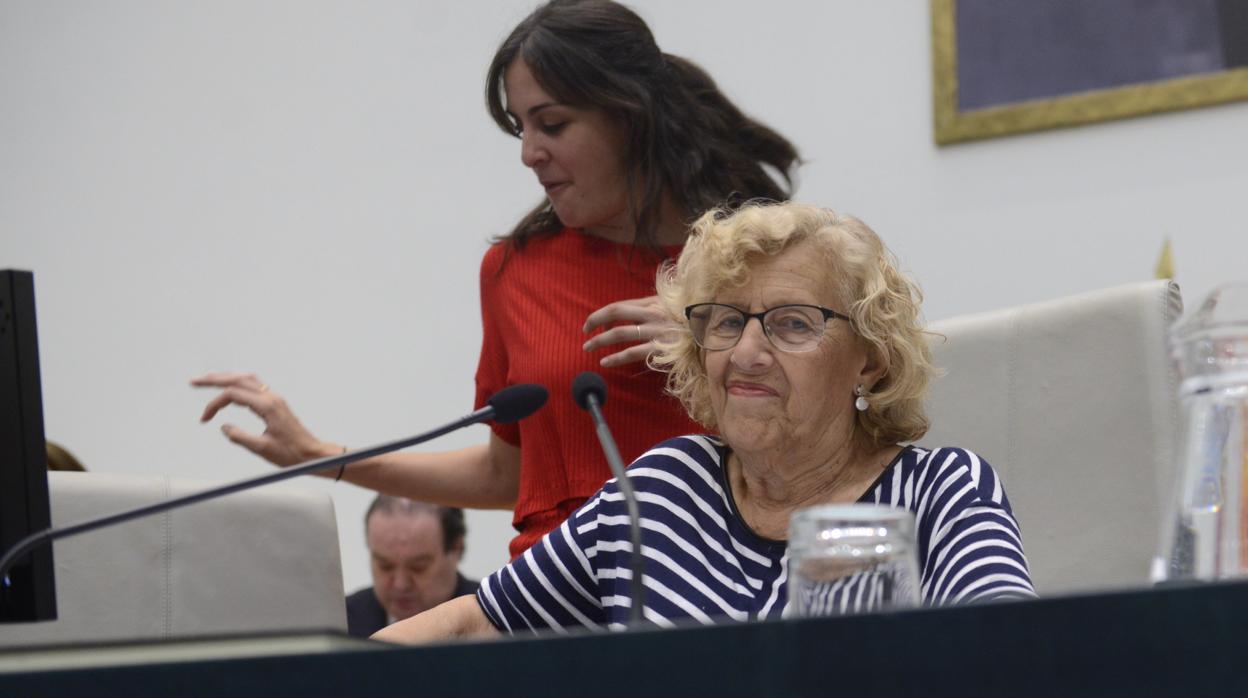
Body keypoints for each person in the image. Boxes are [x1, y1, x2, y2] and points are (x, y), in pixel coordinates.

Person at [191, 0, 800, 560]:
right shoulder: (517, 271)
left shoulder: (758, 264)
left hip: (717, 586)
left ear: (628, 118)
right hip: (552, 593)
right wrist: (321, 458)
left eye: (552, 125)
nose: (528, 152)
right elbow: (506, 475)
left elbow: (827, 439)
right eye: (520, 128)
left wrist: (718, 330)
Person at [372, 201, 1035, 643]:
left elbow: (1012, 663)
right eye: (724, 321)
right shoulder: (663, 490)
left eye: (792, 324)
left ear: (869, 360)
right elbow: (470, 627)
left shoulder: (941, 493)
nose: (745, 352)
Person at [346, 495, 478, 638]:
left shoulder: (493, 619)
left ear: (456, 549)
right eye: (385, 566)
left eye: (418, 567)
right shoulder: (342, 624)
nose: (400, 584)